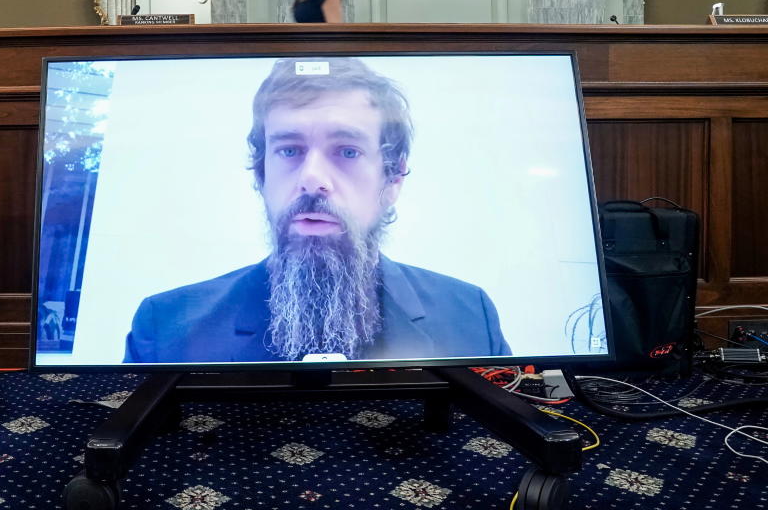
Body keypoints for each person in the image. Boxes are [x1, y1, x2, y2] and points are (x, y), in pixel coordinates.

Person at [123, 57, 511, 363]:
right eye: (289, 150)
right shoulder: (167, 327)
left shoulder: (470, 317)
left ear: (393, 179)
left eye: (347, 151)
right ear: (261, 176)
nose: (312, 179)